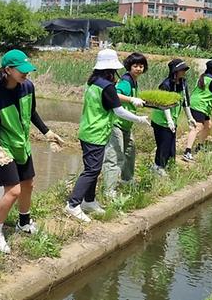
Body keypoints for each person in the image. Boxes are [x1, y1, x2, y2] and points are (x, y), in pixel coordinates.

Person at [0, 50, 65, 253]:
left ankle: (24, 223)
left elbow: (32, 112)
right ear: (8, 69)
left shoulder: (27, 86)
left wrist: (47, 132)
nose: (26, 74)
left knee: (28, 184)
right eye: (22, 70)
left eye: (27, 70)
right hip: (4, 148)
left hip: (23, 145)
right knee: (13, 191)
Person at [64, 49, 150, 222]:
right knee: (91, 170)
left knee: (93, 169)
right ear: (111, 68)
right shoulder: (107, 86)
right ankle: (73, 204)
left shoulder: (93, 82)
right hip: (96, 132)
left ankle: (89, 201)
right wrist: (139, 118)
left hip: (88, 129)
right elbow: (119, 111)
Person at [101, 52, 148, 197]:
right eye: (136, 66)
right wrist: (131, 99)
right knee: (115, 156)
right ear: (129, 67)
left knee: (129, 152)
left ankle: (127, 180)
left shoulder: (134, 80)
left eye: (141, 66)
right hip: (117, 123)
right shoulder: (126, 81)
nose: (139, 69)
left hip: (126, 124)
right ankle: (109, 190)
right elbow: (115, 94)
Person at [151, 58, 193, 176]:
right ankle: (158, 167)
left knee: (171, 146)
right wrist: (169, 120)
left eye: (185, 69)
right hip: (161, 121)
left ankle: (168, 166)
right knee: (163, 145)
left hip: (172, 120)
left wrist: (190, 117)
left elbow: (185, 101)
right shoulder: (166, 85)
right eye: (182, 69)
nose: (184, 71)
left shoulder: (183, 83)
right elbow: (165, 104)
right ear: (175, 71)